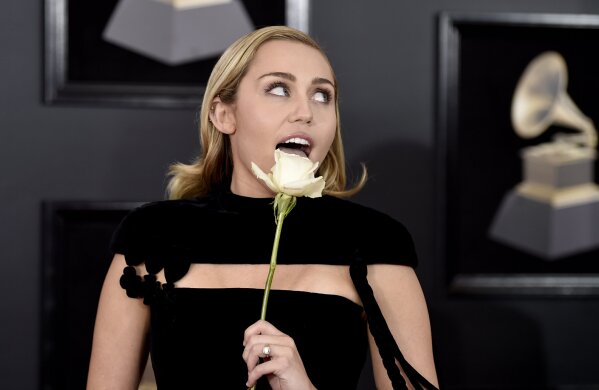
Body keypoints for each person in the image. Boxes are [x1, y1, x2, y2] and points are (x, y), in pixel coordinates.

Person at [87, 25, 439, 390]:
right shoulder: (150, 236)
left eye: (322, 95)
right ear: (224, 115)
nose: (306, 112)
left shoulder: (375, 243)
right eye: (279, 89)